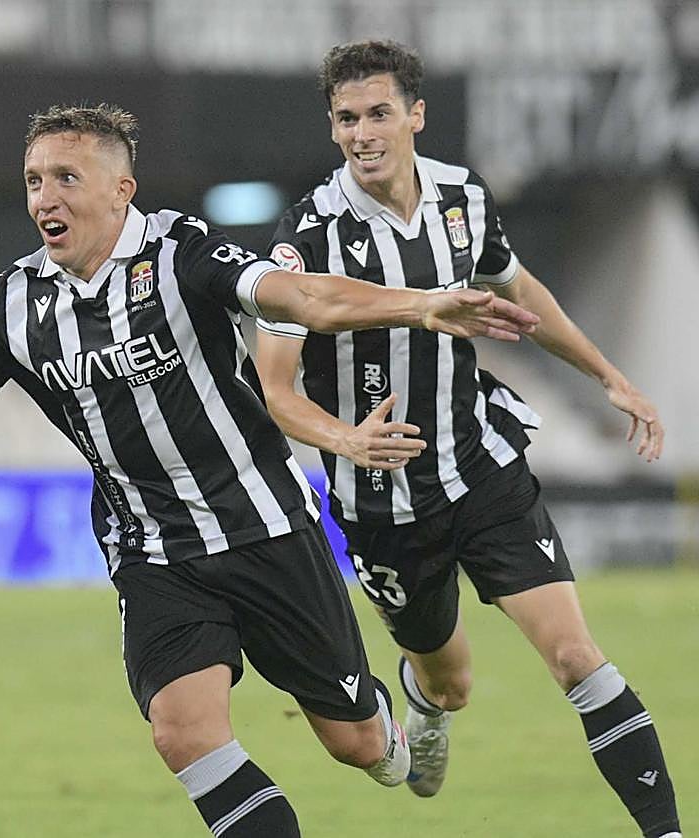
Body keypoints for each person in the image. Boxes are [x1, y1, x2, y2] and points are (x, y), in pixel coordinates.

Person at [0, 103, 539, 836]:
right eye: (31, 180)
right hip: (155, 553)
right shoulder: (13, 303)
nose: (43, 197)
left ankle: (398, 728)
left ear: (122, 189)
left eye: (65, 177)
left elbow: (297, 297)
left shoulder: (183, 251)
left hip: (267, 531)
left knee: (357, 746)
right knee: (184, 733)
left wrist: (420, 304)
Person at [254, 40, 681, 838]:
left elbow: (519, 291)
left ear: (416, 115)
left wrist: (607, 374)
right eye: (345, 118)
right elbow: (273, 388)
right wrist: (344, 441)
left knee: (574, 658)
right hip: (381, 502)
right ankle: (424, 703)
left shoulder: (461, 197)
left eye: (378, 113)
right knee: (450, 682)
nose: (361, 133)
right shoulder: (307, 237)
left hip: (482, 464)